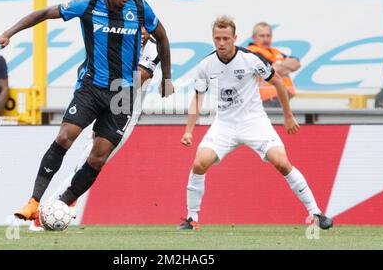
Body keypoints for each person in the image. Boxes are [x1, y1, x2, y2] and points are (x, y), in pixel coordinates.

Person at [0, 0, 174, 220]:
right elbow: (43, 13)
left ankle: (60, 206)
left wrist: (167, 77)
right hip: (91, 88)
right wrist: (8, 33)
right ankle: (33, 201)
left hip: (123, 96)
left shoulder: (140, 8)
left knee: (97, 158)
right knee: (66, 136)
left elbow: (162, 37)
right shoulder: (87, 6)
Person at [178, 16, 332, 230]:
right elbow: (198, 97)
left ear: (235, 38)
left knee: (282, 163)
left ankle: (316, 213)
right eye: (217, 38)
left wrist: (288, 116)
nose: (221, 43)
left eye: (225, 38)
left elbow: (278, 82)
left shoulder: (251, 59)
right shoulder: (206, 65)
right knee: (199, 163)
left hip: (254, 121)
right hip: (224, 124)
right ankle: (192, 219)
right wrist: (188, 131)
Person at [29, 27, 161, 230]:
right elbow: (86, 67)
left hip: (126, 110)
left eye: (145, 27)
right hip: (98, 100)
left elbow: (137, 79)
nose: (141, 32)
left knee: (90, 161)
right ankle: (51, 212)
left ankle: (50, 211)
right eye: (138, 26)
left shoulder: (154, 47)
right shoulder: (115, 40)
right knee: (83, 160)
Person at [247, 22, 300, 107]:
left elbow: (296, 63)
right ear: (254, 37)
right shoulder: (251, 52)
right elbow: (272, 69)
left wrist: (279, 65)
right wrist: (285, 67)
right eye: (262, 36)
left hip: (282, 97)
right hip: (265, 99)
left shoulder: (275, 51)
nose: (266, 39)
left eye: (268, 36)